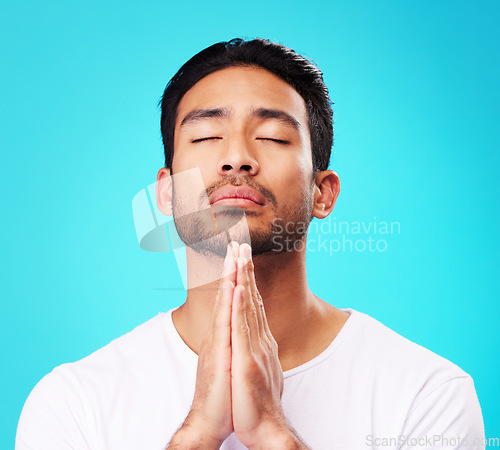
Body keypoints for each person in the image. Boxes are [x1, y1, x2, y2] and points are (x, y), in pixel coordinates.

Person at [16, 38, 485, 450]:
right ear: (166, 192)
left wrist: (275, 436)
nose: (236, 158)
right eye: (205, 136)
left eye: (272, 136)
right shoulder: (72, 403)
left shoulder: (427, 392)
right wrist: (198, 434)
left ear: (323, 193)